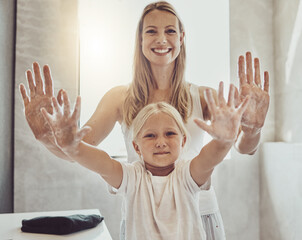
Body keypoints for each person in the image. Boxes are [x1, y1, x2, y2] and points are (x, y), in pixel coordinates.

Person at [19, 1, 270, 239]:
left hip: (199, 216)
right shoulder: (119, 98)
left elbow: (240, 146)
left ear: (182, 38)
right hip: (141, 219)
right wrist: (47, 138)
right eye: (152, 31)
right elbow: (77, 148)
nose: (161, 39)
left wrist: (252, 129)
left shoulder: (203, 96)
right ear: (140, 40)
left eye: (170, 31)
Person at [39, 83, 249, 240]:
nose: (161, 142)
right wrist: (73, 147)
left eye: (169, 134)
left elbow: (208, 158)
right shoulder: (132, 177)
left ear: (183, 141)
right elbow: (101, 162)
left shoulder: (187, 175)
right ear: (136, 146)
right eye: (150, 136)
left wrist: (224, 140)